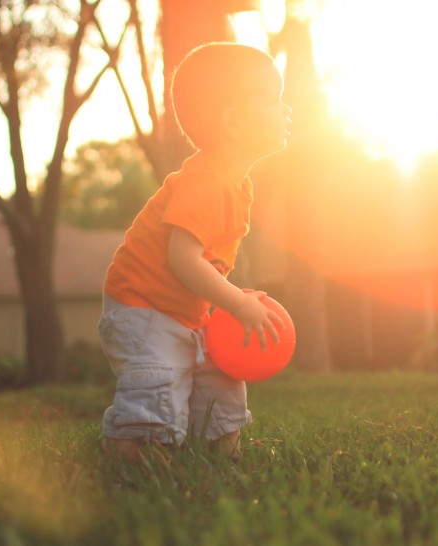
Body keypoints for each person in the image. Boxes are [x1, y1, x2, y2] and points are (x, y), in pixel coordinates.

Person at [98, 42, 292, 463]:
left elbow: (204, 265)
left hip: (183, 308)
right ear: (234, 123)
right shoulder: (205, 181)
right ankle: (136, 449)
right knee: (160, 378)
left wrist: (227, 300)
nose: (286, 109)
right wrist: (237, 302)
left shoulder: (235, 184)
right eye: (274, 99)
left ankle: (221, 449)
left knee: (219, 374)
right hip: (143, 305)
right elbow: (181, 260)